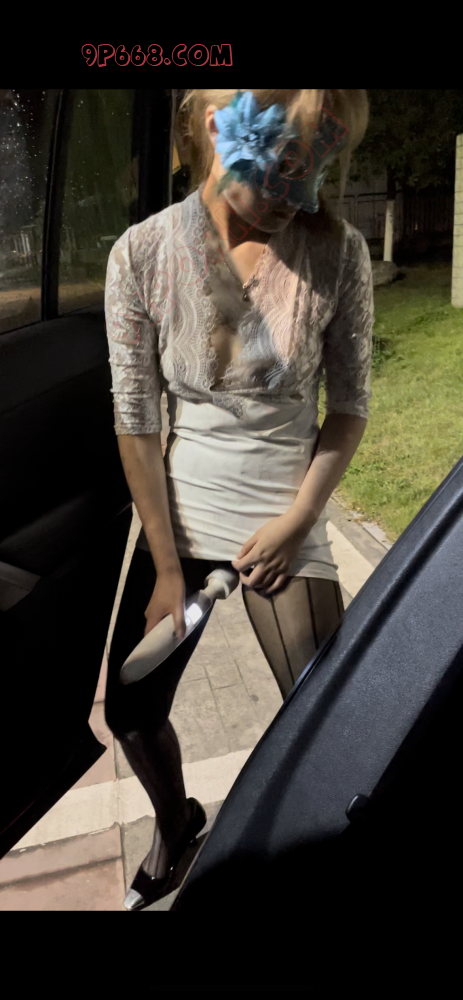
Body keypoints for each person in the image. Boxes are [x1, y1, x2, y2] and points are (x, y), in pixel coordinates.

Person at [104, 88, 374, 910]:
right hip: (182, 513)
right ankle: (175, 823)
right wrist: (165, 567)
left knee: (325, 718)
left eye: (316, 167)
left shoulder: (337, 251)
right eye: (282, 167)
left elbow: (349, 408)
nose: (300, 193)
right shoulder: (143, 253)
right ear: (219, 133)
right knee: (130, 713)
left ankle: (308, 852)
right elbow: (137, 420)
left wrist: (298, 521)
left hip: (286, 506)